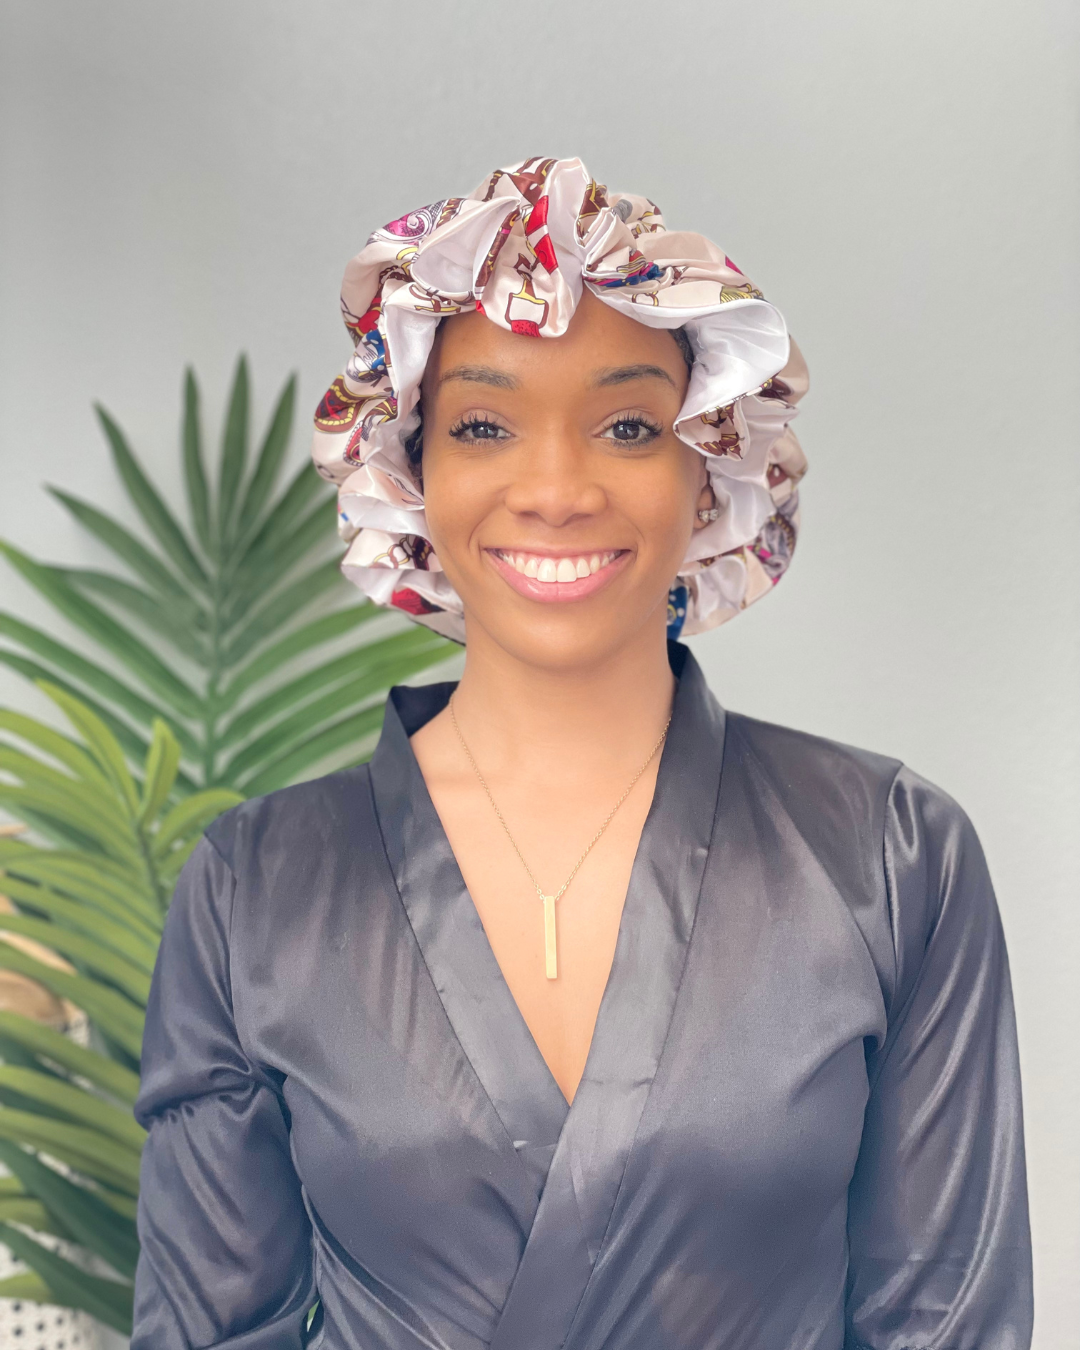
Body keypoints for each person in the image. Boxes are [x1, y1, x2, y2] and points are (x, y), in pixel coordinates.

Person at [132, 157, 1032, 1350]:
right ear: (409, 469)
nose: (554, 489)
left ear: (710, 470)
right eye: (484, 425)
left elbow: (950, 1323)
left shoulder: (891, 856)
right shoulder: (256, 889)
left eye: (627, 426)